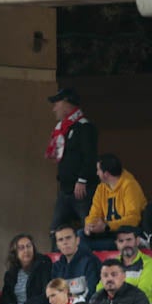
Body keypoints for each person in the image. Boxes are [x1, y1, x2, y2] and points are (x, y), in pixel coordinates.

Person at [46, 87, 98, 233]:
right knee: (55, 230)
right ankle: (57, 255)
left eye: (57, 103)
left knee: (89, 228)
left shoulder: (85, 127)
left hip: (82, 190)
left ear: (67, 103)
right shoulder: (62, 128)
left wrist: (82, 180)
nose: (54, 108)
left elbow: (90, 156)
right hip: (65, 189)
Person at [83, 154, 147, 249]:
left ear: (106, 174)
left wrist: (107, 226)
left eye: (98, 170)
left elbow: (133, 219)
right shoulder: (101, 188)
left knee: (86, 246)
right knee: (80, 235)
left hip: (125, 234)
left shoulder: (129, 185)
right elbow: (94, 214)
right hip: (107, 232)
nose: (97, 173)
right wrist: (89, 226)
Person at [0, 233, 53, 304]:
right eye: (21, 248)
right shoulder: (11, 273)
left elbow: (46, 294)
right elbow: (5, 298)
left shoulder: (44, 264)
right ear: (15, 253)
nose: (26, 250)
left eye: (29, 246)